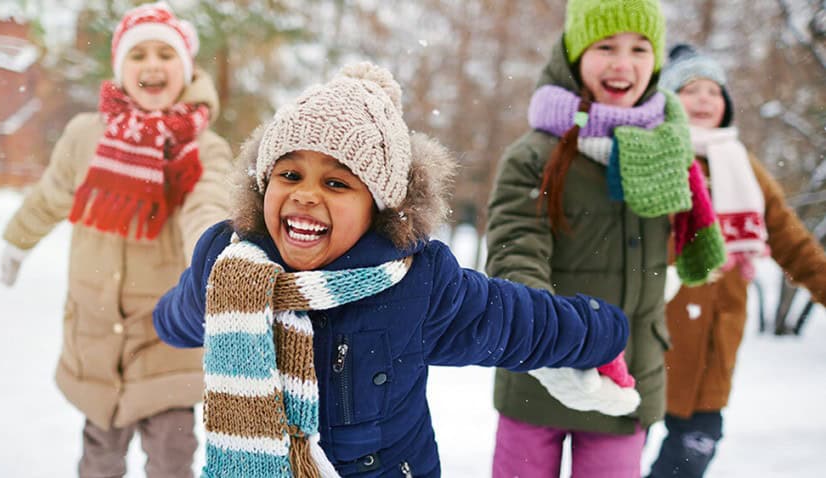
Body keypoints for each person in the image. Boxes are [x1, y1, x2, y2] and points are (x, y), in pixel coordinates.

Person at [152, 61, 632, 478]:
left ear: (378, 208)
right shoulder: (232, 268)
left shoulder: (416, 284)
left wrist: (603, 332)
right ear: (263, 185)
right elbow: (186, 312)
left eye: (337, 182)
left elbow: (517, 321)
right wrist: (162, 320)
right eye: (289, 174)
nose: (305, 194)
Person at [485, 1, 728, 477]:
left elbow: (679, 247)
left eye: (640, 48)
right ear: (575, 55)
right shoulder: (533, 155)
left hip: (628, 379)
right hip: (539, 377)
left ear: (655, 61)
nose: (623, 63)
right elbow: (516, 254)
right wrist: (553, 343)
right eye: (606, 46)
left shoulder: (668, 149)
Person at [0, 2, 233, 476]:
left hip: (167, 335)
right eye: (138, 54)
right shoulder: (85, 136)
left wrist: (214, 264)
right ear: (120, 68)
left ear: (185, 70)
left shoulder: (201, 148)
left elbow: (207, 208)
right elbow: (51, 196)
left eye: (165, 54)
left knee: (171, 459)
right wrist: (17, 240)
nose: (151, 65)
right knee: (98, 460)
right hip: (96, 333)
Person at [646, 44, 826, 478]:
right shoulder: (649, 158)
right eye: (691, 90)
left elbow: (793, 244)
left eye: (714, 90)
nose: (706, 99)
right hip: (651, 341)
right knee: (613, 457)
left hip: (714, 347)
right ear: (667, 100)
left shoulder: (744, 167)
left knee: (688, 460)